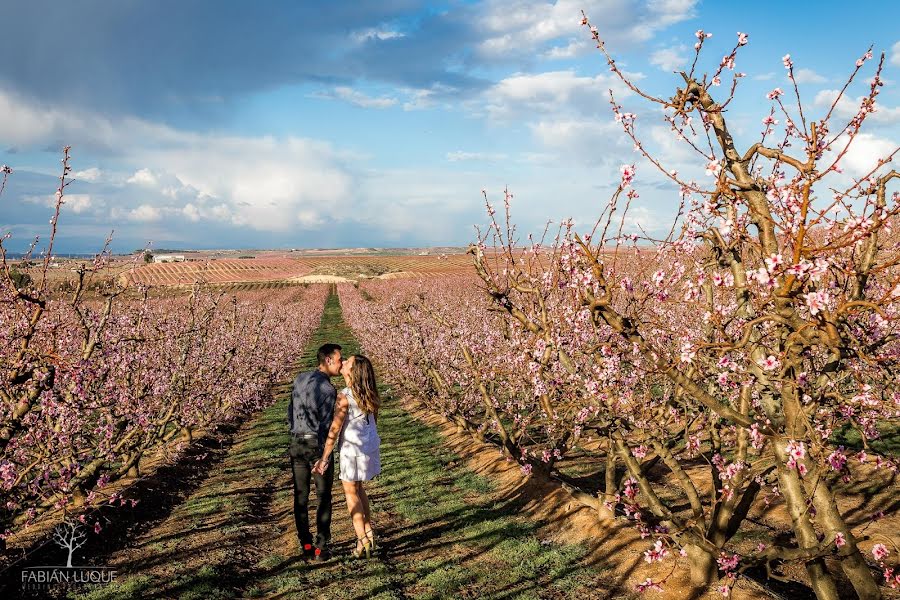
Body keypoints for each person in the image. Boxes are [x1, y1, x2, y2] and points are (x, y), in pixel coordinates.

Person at [313, 354, 381, 559]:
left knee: (351, 493)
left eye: (347, 362)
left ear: (353, 372)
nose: (342, 363)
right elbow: (373, 420)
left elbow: (335, 429)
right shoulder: (369, 393)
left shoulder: (345, 396)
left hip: (352, 450)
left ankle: (362, 541)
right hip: (369, 446)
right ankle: (368, 531)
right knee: (359, 489)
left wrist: (325, 456)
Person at [288, 342, 342, 560]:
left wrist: (295, 432)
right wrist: (324, 454)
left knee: (300, 496)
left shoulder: (299, 379)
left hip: (297, 443)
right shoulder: (328, 389)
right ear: (328, 360)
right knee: (323, 496)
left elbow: (290, 412)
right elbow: (327, 424)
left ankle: (306, 545)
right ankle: (321, 547)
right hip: (317, 445)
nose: (341, 364)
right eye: (339, 360)